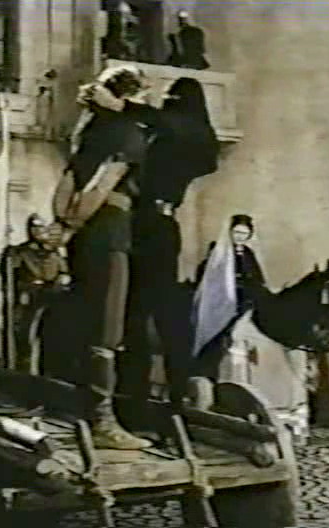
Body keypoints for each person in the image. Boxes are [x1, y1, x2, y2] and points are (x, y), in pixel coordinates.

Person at [54, 65, 154, 450]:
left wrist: (65, 225)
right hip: (108, 232)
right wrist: (76, 222)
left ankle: (83, 414)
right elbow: (101, 186)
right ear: (130, 96)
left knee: (85, 317)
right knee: (106, 328)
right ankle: (102, 422)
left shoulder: (88, 133)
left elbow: (66, 186)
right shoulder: (129, 134)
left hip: (84, 238)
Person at [122, 76, 219, 411]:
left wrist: (123, 106)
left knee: (138, 309)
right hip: (164, 226)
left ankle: (137, 392)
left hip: (147, 225)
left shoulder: (178, 132)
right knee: (162, 310)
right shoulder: (196, 139)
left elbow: (163, 120)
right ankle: (177, 388)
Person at [191, 214, 267, 372]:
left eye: (244, 233)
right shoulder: (219, 251)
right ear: (230, 232)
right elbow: (210, 276)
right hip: (222, 300)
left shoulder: (248, 254)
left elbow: (257, 278)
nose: (240, 237)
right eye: (237, 232)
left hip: (245, 301)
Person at [5, 213, 71, 373]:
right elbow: (11, 276)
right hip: (30, 297)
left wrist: (62, 278)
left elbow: (64, 271)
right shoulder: (20, 252)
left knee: (55, 336)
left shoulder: (54, 252)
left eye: (41, 227)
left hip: (53, 297)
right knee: (27, 337)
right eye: (34, 228)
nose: (38, 231)